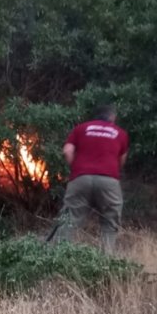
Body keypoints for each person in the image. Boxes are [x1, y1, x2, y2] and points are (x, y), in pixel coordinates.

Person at [56, 104, 129, 253]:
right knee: (110, 222)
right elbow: (121, 161)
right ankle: (105, 262)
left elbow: (67, 151)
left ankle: (59, 257)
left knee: (69, 220)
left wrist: (76, 169)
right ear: (112, 117)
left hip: (81, 177)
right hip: (108, 179)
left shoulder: (81, 128)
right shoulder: (120, 133)